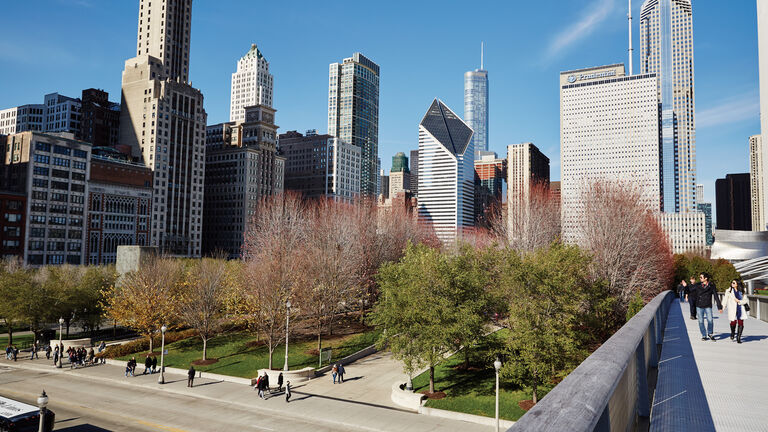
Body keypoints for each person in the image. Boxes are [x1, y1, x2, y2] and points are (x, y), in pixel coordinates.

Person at [695, 272, 723, 341]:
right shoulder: (698, 285)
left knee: (710, 320)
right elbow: (691, 291)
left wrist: (719, 307)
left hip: (708, 305)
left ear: (706, 278)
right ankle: (704, 335)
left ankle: (710, 333)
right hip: (699, 305)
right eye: (700, 277)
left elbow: (716, 296)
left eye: (701, 277)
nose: (700, 278)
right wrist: (686, 287)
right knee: (700, 321)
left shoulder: (711, 286)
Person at [722, 279, 749, 343]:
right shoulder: (729, 290)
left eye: (734, 283)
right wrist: (723, 306)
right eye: (732, 282)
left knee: (741, 322)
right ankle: (733, 333)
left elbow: (746, 300)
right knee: (733, 322)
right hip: (732, 308)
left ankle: (738, 338)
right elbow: (725, 298)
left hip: (740, 308)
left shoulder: (742, 291)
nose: (732, 284)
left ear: (737, 284)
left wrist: (739, 301)